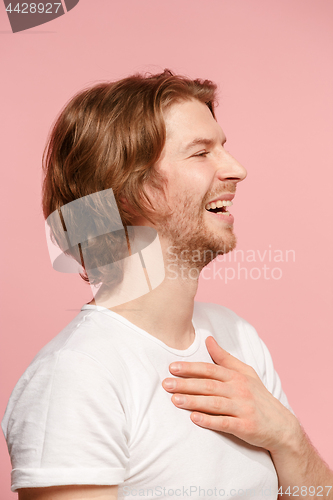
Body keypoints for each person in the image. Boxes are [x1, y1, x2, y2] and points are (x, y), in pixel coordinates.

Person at [2, 70, 332, 500]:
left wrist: (288, 437)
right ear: (128, 191)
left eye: (223, 148)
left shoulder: (236, 338)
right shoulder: (75, 377)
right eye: (200, 154)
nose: (237, 170)